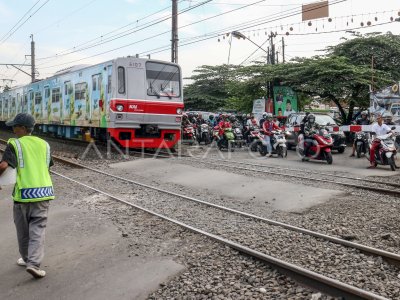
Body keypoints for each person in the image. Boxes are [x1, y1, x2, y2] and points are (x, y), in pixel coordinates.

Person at [0, 113, 54, 279]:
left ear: (22, 128)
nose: (13, 129)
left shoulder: (14, 144)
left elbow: (3, 165)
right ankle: (33, 264)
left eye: (15, 126)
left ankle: (28, 260)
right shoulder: (44, 144)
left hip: (23, 195)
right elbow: (48, 166)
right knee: (37, 229)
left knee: (23, 231)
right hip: (44, 193)